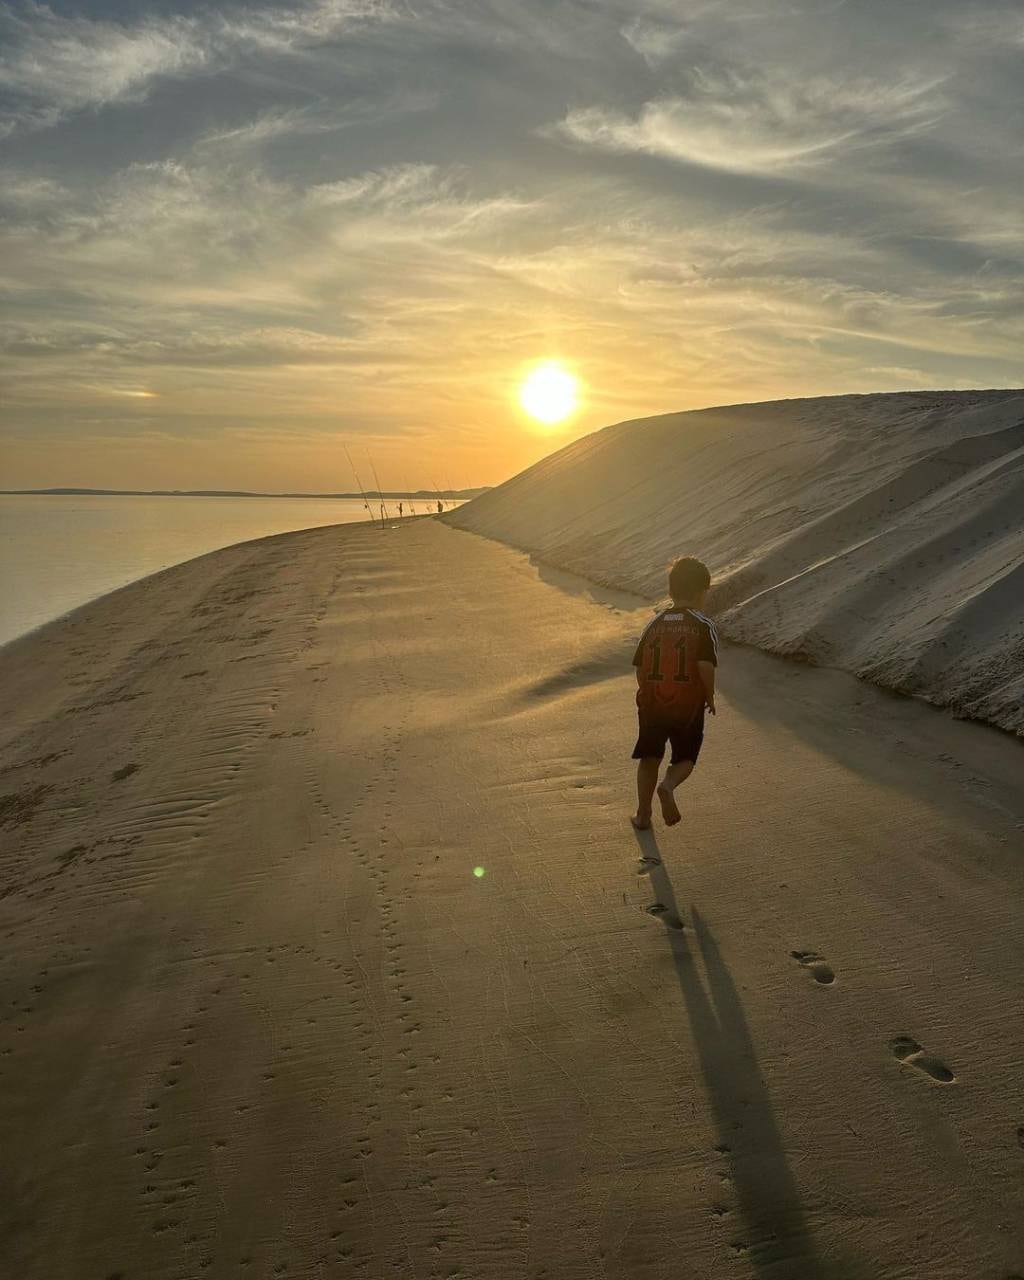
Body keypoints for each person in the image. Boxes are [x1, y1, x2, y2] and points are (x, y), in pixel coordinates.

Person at [630, 556, 717, 830]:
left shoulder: (654, 623)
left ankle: (644, 815)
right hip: (687, 705)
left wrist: (645, 690)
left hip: (653, 702)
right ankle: (668, 785)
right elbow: (705, 665)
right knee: (685, 757)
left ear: (670, 591)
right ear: (702, 592)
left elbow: (640, 664)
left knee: (649, 758)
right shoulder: (702, 625)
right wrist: (710, 695)